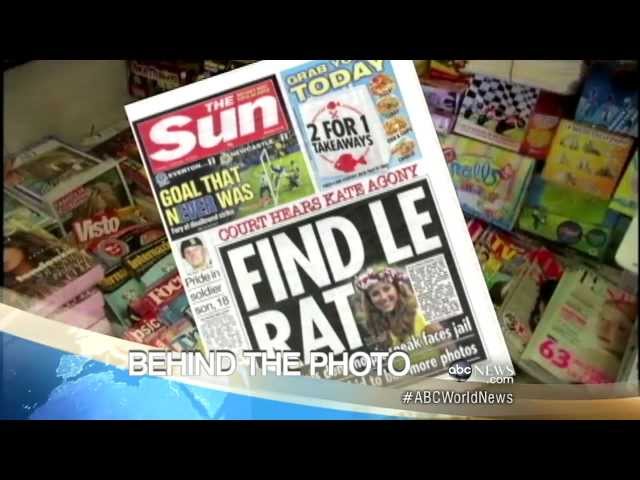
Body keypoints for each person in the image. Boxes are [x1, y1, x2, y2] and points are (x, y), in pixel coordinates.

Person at [354, 265, 438, 350]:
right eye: (375, 294)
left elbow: (445, 348)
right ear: (370, 301)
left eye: (387, 289)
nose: (383, 297)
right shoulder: (382, 327)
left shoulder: (420, 316)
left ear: (398, 289)